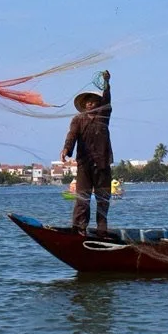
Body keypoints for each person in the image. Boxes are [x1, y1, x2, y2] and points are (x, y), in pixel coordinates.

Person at [60, 70, 113, 234]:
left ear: (98, 103)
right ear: (83, 105)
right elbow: (72, 136)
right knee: (82, 199)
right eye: (87, 102)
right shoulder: (78, 120)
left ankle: (101, 230)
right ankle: (79, 229)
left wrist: (106, 84)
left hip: (103, 163)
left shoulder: (103, 115)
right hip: (84, 164)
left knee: (103, 199)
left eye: (93, 101)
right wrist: (66, 149)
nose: (89, 104)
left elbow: (107, 99)